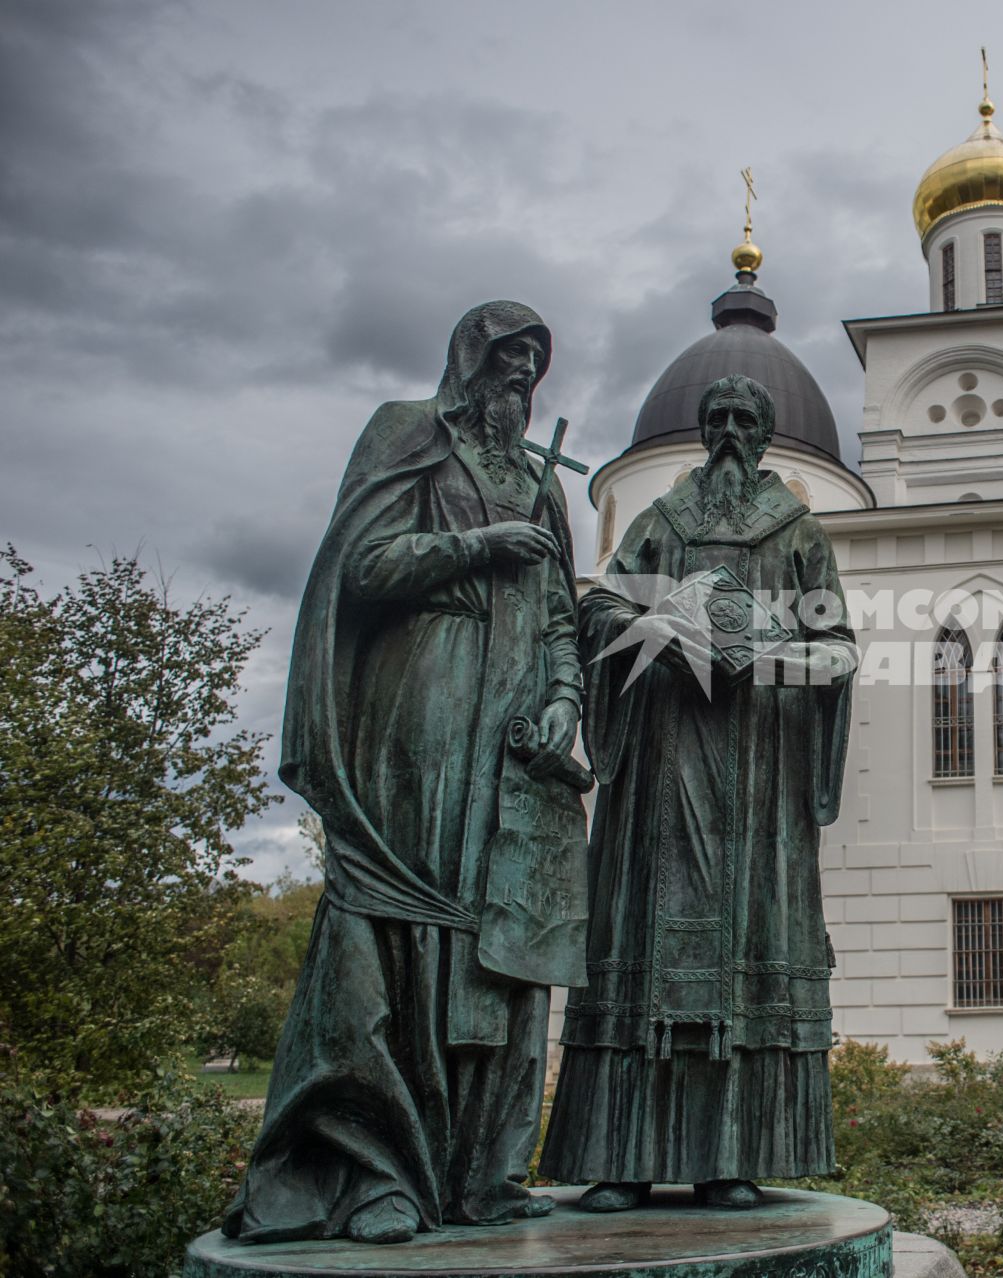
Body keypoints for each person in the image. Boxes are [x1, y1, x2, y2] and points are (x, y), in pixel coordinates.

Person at [224, 301, 582, 1244]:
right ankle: (374, 1171)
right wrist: (474, 546)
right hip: (422, 698)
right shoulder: (408, 434)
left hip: (514, 731)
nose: (520, 373)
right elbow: (362, 566)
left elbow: (558, 619)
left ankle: (484, 1172)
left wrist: (563, 703)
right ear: (470, 357)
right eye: (506, 355)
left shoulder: (541, 484)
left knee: (503, 937)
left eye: (533, 362)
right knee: (393, 921)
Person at [542, 374, 857, 1210]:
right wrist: (651, 624)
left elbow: (841, 651)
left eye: (742, 419)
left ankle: (732, 1159)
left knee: (742, 954)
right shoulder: (661, 522)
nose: (725, 431)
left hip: (754, 775)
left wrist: (763, 655)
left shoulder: (797, 533)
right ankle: (620, 1159)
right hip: (658, 759)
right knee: (638, 946)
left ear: (762, 435)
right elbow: (600, 607)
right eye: (714, 418)